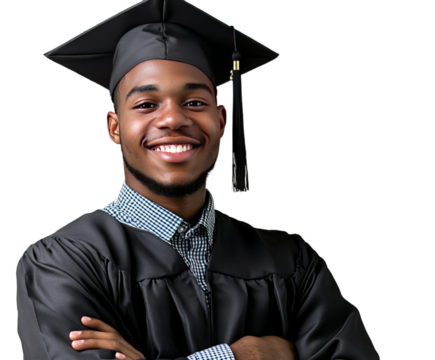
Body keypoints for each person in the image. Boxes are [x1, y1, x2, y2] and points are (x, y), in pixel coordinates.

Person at [16, 0, 380, 359]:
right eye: (146, 104)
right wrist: (242, 355)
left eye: (194, 103)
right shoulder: (63, 264)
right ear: (114, 128)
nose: (172, 119)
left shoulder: (292, 263)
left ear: (222, 122)